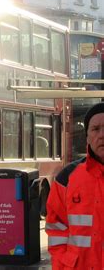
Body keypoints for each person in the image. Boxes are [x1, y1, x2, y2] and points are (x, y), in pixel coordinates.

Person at [46, 102, 104, 269]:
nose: (102, 135)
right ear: (87, 136)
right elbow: (56, 229)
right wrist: (63, 265)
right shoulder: (67, 178)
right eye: (95, 129)